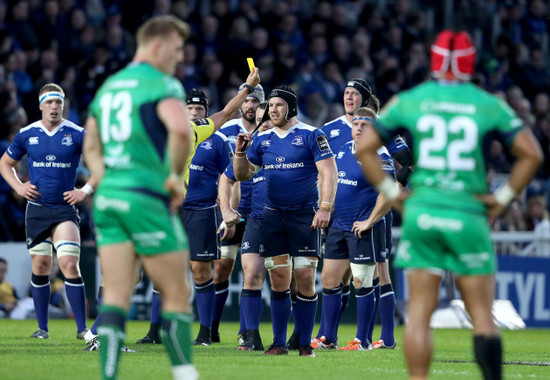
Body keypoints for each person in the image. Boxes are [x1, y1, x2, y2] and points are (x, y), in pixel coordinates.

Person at [355, 30, 542, 380]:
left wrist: (394, 195)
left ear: (434, 61)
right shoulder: (487, 103)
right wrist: (500, 201)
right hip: (468, 212)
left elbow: (365, 147)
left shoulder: (411, 99)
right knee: (482, 316)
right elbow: (531, 154)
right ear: (471, 62)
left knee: (420, 314)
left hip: (423, 213)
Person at [83, 16, 198, 380]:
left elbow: (91, 145)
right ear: (159, 44)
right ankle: (184, 373)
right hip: (146, 196)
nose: (178, 59)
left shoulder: (110, 86)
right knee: (178, 292)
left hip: (110, 200)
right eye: (177, 50)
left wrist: (106, 180)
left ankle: (110, 374)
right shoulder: (162, 84)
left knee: (116, 293)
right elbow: (181, 131)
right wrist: (172, 179)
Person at [135, 77, 261, 346]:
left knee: (201, 272)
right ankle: (155, 331)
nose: (193, 113)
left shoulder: (204, 136)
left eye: (198, 109)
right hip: (166, 210)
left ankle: (204, 333)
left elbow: (226, 118)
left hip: (200, 211)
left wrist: (228, 211)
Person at [234, 85, 338, 356]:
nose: (272, 110)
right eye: (270, 106)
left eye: (278, 105)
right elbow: (242, 175)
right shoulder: (262, 140)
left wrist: (325, 207)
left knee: (304, 277)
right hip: (272, 216)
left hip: (304, 215)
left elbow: (329, 172)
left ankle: (304, 343)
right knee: (279, 278)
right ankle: (279, 343)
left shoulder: (311, 134)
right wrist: (240, 153)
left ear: (291, 108)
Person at [314, 78, 412, 349]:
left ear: (365, 100)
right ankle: (328, 335)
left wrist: (393, 193)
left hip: (370, 215)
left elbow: (408, 164)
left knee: (374, 274)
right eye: (345, 93)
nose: (349, 98)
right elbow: (326, 173)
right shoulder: (334, 134)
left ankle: (377, 338)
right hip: (340, 218)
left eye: (355, 94)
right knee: (335, 278)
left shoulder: (381, 140)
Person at [0, 83, 92, 340]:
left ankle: (82, 328)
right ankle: (43, 329)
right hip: (37, 210)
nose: (54, 107)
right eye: (50, 102)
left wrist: (84, 191)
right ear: (41, 105)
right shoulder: (27, 134)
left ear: (64, 105)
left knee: (68, 264)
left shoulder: (77, 133)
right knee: (40, 265)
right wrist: (18, 187)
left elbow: (102, 163)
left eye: (59, 103)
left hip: (64, 210)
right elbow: (5, 163)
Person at [215, 82, 265, 342]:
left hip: (259, 211)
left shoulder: (267, 131)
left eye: (256, 101)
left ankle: (245, 331)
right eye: (247, 101)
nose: (250, 105)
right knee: (222, 267)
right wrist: (226, 208)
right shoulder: (225, 131)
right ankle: (211, 328)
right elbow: (221, 171)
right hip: (231, 210)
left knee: (252, 270)